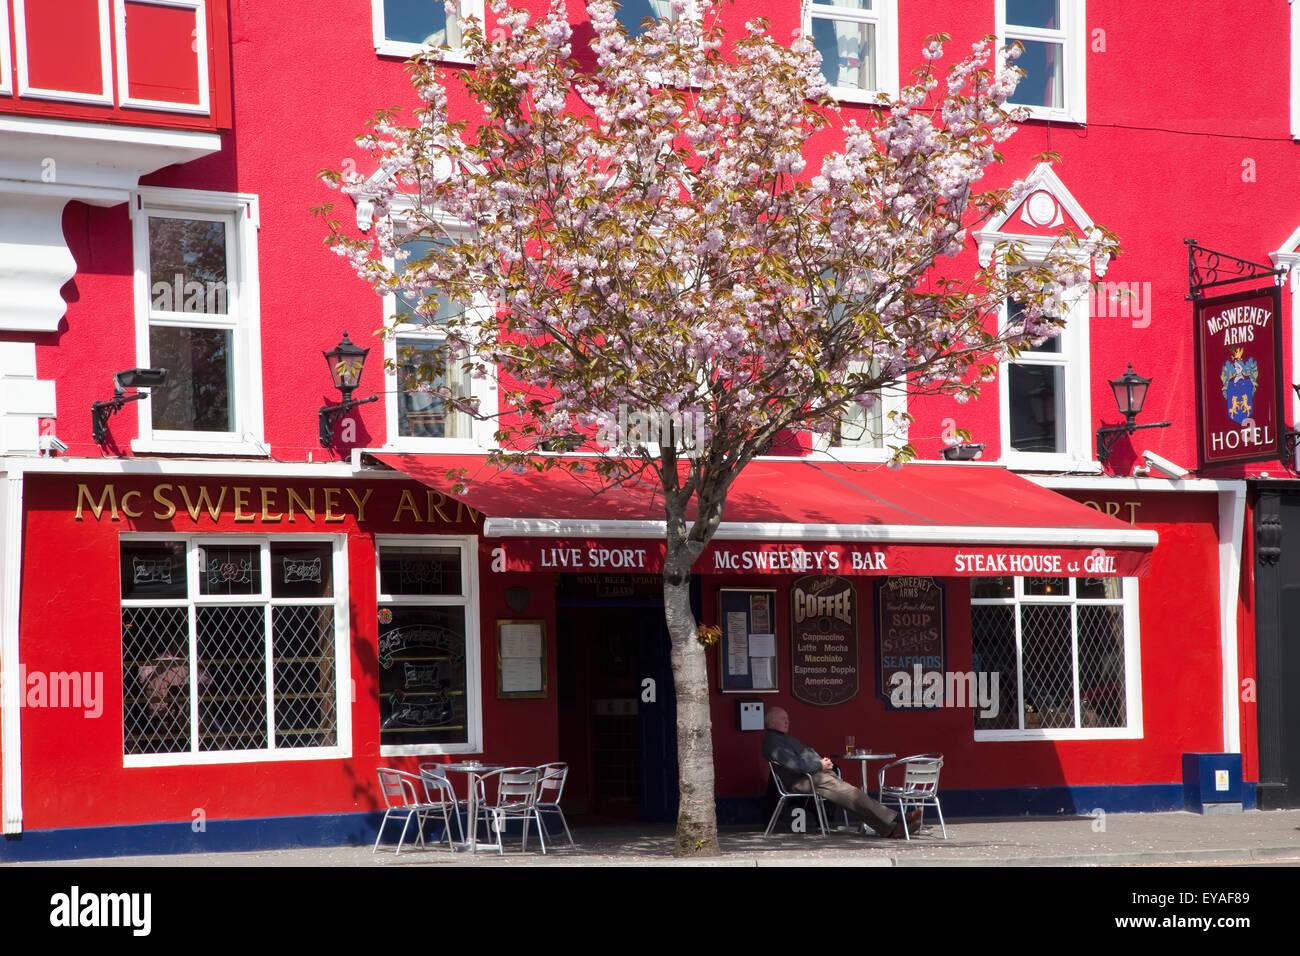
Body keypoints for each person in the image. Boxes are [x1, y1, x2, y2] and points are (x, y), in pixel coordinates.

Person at [762, 705, 920, 838]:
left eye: (787, 718)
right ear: (771, 721)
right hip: (803, 781)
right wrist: (819, 765)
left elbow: (801, 761)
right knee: (852, 794)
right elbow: (795, 765)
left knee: (851, 796)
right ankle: (900, 818)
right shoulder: (773, 742)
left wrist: (822, 764)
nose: (787, 721)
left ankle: (890, 829)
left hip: (813, 776)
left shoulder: (781, 738)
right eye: (783, 718)